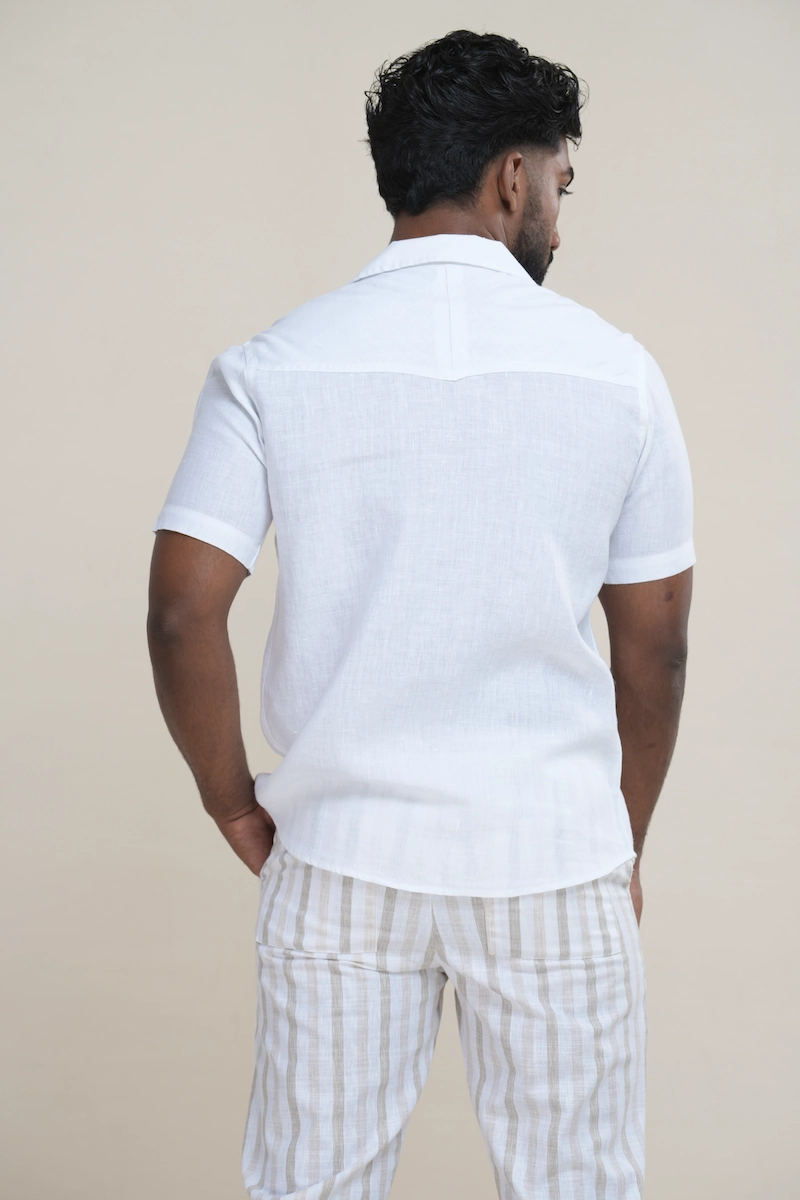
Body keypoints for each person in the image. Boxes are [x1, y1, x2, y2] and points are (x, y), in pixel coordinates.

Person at [147, 29, 694, 1200]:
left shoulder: (271, 366)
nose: (557, 207)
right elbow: (655, 643)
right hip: (552, 853)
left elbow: (184, 616)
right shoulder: (615, 373)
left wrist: (234, 804)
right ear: (511, 176)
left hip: (341, 855)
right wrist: (618, 839)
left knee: (309, 1186)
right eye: (558, 180)